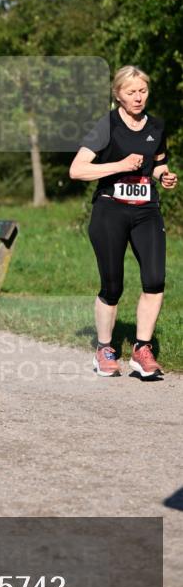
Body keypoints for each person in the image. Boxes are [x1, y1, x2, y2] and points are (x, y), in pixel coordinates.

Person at [69, 65, 177, 378]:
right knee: (112, 284)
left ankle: (142, 349)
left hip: (146, 210)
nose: (138, 97)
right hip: (110, 210)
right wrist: (118, 165)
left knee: (155, 280)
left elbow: (157, 163)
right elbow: (77, 170)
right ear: (118, 94)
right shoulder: (107, 125)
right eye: (131, 92)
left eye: (142, 91)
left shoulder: (156, 126)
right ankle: (104, 349)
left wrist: (163, 175)